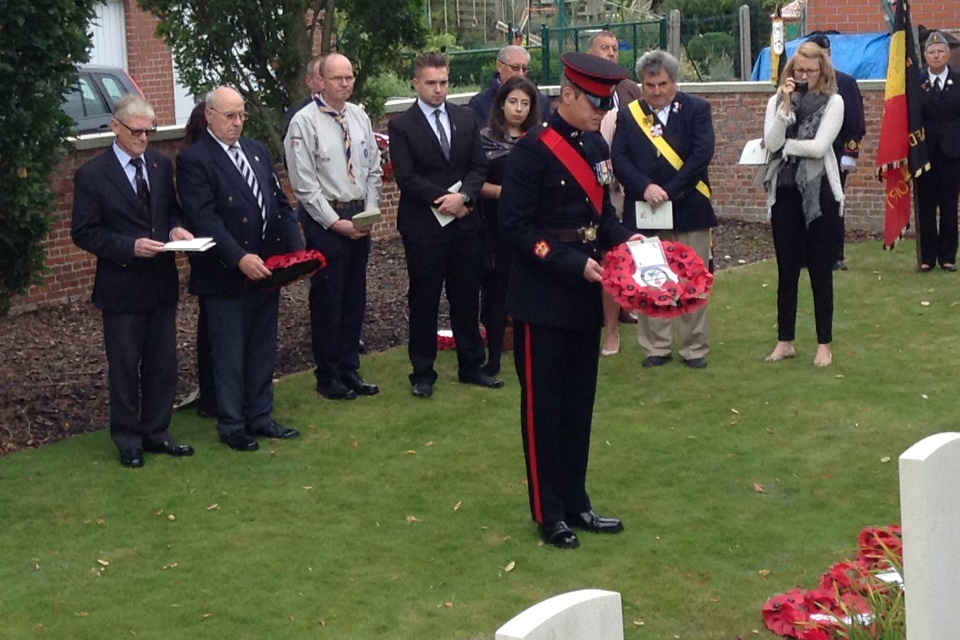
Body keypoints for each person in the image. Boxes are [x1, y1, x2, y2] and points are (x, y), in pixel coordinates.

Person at [499, 52, 640, 549]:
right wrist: (569, 263)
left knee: (579, 406)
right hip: (543, 298)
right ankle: (549, 511)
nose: (603, 110)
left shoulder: (598, 146)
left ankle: (578, 502)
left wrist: (630, 243)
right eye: (597, 101)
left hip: (584, 296)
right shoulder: (532, 152)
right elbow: (515, 227)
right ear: (570, 95)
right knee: (544, 409)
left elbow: (603, 217)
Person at [177, 86, 305, 451]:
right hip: (226, 274)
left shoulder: (256, 151)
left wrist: (297, 253)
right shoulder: (194, 160)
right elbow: (205, 219)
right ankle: (232, 423)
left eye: (241, 115)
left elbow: (279, 203)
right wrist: (238, 258)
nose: (237, 123)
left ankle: (260, 415)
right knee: (230, 352)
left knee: (262, 346)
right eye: (230, 116)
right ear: (210, 116)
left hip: (267, 269)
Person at [71, 95, 195, 468]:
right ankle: (128, 439)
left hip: (160, 282)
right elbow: (85, 232)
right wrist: (129, 246)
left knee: (162, 365)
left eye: (149, 131)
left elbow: (170, 207)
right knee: (125, 368)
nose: (143, 138)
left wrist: (176, 226)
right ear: (115, 127)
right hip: (122, 287)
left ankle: (157, 432)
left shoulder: (159, 164)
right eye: (136, 131)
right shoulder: (92, 174)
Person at [388, 52, 502, 398]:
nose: (439, 90)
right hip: (424, 227)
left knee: (466, 296)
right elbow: (407, 177)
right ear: (416, 83)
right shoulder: (402, 125)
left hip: (465, 225)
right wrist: (445, 201)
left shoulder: (465, 117)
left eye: (443, 82)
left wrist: (465, 198)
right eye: (431, 83)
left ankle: (471, 366)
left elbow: (478, 167)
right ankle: (423, 372)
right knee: (423, 299)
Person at [285, 53, 382, 400]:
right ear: (320, 81)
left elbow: (373, 167)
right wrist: (335, 223)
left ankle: (349, 368)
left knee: (355, 297)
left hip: (358, 215)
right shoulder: (304, 123)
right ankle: (327, 375)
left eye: (349, 77)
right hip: (326, 222)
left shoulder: (358, 116)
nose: (345, 83)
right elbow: (305, 186)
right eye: (337, 78)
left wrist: (369, 212)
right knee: (329, 300)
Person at [612, 50, 717, 369]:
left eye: (662, 84)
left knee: (692, 279)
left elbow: (702, 154)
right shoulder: (631, 114)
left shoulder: (697, 109)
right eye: (649, 85)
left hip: (688, 204)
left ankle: (693, 347)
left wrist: (669, 191)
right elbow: (619, 158)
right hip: (646, 207)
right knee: (651, 277)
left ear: (675, 82)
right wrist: (645, 186)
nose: (656, 91)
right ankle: (656, 346)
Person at [761, 42, 844, 367]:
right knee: (786, 271)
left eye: (810, 71)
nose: (804, 76)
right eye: (799, 71)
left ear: (822, 71)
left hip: (819, 192)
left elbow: (820, 146)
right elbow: (770, 142)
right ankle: (785, 341)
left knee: (821, 271)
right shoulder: (777, 101)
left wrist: (785, 148)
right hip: (784, 192)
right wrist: (784, 106)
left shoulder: (834, 102)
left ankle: (824, 344)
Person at [477, 76, 542, 376]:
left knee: (530, 288)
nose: (518, 109)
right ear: (502, 104)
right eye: (513, 102)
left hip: (532, 225)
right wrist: (507, 192)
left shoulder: (540, 139)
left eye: (525, 103)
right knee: (497, 290)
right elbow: (475, 184)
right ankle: (493, 358)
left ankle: (530, 353)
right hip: (496, 225)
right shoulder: (485, 138)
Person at [588, 30, 643, 356]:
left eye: (613, 48)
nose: (610, 53)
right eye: (604, 48)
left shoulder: (629, 89)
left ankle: (623, 308)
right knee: (602, 255)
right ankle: (607, 328)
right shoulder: (581, 89)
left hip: (626, 184)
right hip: (594, 183)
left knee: (624, 251)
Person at [806, 33, 866, 272]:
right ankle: (807, 253)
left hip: (836, 152)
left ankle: (834, 254)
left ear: (828, 54)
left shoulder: (845, 83)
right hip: (807, 154)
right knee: (807, 203)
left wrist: (850, 154)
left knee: (833, 204)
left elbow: (856, 124)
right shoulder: (802, 84)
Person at [182, 101, 218, 418]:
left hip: (208, 253)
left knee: (210, 328)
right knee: (212, 329)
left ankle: (213, 393)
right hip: (209, 253)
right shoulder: (193, 162)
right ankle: (212, 394)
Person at [916, 31, 960, 273]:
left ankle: (947, 257)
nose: (936, 55)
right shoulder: (917, 83)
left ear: (948, 54)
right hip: (925, 152)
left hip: (952, 153)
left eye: (940, 51)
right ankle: (927, 257)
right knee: (926, 205)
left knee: (949, 205)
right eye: (931, 52)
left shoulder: (958, 80)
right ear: (925, 56)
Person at [467, 45, 552, 126]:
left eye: (524, 69)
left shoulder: (542, 102)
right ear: (499, 66)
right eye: (515, 67)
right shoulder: (479, 103)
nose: (520, 73)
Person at [282, 55, 325, 141]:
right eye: (321, 79)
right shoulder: (295, 115)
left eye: (332, 78)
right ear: (309, 81)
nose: (327, 83)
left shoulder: (350, 113)